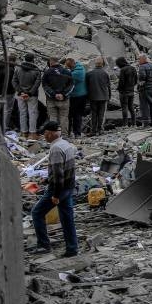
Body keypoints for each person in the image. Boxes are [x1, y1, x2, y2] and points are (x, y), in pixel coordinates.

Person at [29, 121, 78, 257]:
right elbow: (66, 169)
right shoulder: (66, 144)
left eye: (45, 133)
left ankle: (44, 245)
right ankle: (72, 248)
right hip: (68, 186)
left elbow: (58, 174)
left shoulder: (56, 149)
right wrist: (47, 179)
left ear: (50, 133)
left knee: (37, 213)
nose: (44, 136)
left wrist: (55, 195)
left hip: (59, 189)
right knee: (67, 218)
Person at [12, 53, 42, 140]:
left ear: (24, 59)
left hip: (20, 95)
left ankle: (23, 132)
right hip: (32, 96)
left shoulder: (18, 68)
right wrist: (29, 93)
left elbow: (14, 81)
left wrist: (21, 92)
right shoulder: (36, 70)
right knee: (32, 113)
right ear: (33, 60)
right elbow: (37, 84)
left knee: (22, 113)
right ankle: (32, 133)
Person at [42, 58, 74, 136]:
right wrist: (63, 94)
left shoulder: (47, 72)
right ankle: (64, 135)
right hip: (64, 100)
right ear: (58, 62)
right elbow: (71, 85)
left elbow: (44, 86)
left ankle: (53, 135)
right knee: (64, 118)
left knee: (53, 118)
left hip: (51, 99)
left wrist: (54, 94)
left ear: (50, 62)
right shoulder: (67, 72)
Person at [85, 57, 111, 136]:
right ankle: (100, 130)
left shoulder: (89, 74)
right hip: (103, 97)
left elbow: (86, 86)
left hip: (93, 97)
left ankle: (93, 130)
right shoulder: (105, 74)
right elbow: (108, 86)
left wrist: (87, 97)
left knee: (93, 114)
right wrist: (109, 96)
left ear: (95, 64)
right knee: (101, 114)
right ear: (102, 64)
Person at [65, 58, 88, 139]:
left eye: (69, 67)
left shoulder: (74, 73)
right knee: (78, 115)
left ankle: (69, 132)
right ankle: (77, 133)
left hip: (75, 96)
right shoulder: (81, 68)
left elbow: (68, 83)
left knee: (70, 115)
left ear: (71, 66)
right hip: (83, 95)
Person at [115, 57, 138, 126]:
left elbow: (121, 82)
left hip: (124, 92)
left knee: (124, 107)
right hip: (131, 91)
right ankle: (134, 123)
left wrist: (118, 89)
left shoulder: (123, 70)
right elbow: (136, 80)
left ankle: (125, 124)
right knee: (131, 107)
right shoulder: (133, 68)